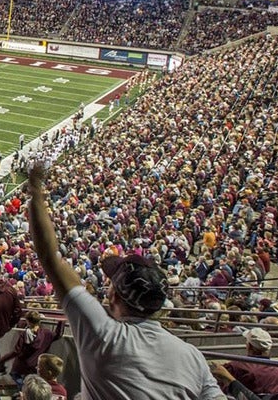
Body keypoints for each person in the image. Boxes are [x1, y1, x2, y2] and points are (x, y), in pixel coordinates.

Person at [24, 160, 223, 399]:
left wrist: (35, 189)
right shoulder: (192, 356)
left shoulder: (104, 336)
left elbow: (50, 257)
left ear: (113, 295)